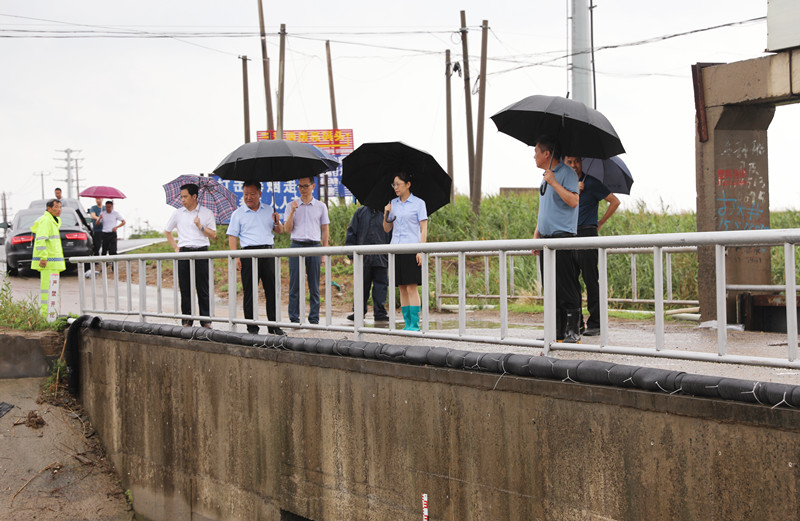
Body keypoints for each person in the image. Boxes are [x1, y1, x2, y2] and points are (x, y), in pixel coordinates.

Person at [564, 156, 621, 337]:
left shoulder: (591, 182)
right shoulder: (565, 185)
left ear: (582, 163)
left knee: (590, 279)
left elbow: (615, 201)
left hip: (587, 232)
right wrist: (574, 191)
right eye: (569, 162)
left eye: (576, 161)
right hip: (569, 234)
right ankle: (577, 323)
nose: (573, 165)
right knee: (571, 281)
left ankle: (596, 323)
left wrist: (600, 222)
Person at [532, 136, 581, 343]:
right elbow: (546, 208)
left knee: (566, 285)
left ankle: (573, 330)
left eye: (536, 152)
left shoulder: (566, 173)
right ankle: (556, 330)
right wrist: (537, 231)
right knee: (550, 286)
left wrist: (554, 182)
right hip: (546, 239)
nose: (533, 156)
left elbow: (574, 200)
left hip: (562, 238)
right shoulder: (546, 176)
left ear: (547, 154)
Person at [227, 180, 286, 336]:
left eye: (252, 194)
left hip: (268, 253)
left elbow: (280, 231)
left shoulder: (269, 210)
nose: (249, 197)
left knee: (272, 290)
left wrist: (277, 222)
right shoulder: (238, 214)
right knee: (249, 291)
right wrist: (236, 257)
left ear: (260, 194)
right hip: (248, 254)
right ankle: (252, 327)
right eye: (246, 194)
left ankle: (274, 326)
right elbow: (232, 236)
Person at [165, 183, 217, 328]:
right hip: (184, 251)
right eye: (181, 197)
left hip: (201, 251)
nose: (182, 199)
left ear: (194, 196)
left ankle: (206, 320)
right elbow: (167, 231)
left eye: (185, 196)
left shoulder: (206, 213)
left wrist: (200, 226)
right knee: (185, 287)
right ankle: (187, 320)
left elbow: (213, 235)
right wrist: (176, 247)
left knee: (203, 287)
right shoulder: (177, 213)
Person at [383, 171, 427, 331]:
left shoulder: (419, 203)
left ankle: (414, 324)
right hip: (396, 248)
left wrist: (420, 250)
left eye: (398, 184)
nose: (395, 187)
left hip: (412, 248)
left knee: (411, 287)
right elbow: (387, 228)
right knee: (401, 287)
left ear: (408, 184)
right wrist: (386, 213)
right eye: (393, 184)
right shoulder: (392, 204)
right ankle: (407, 323)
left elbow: (423, 228)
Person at [283, 176, 329, 325]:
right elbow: (286, 229)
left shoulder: (321, 206)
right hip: (296, 245)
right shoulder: (291, 205)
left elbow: (325, 229)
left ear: (313, 186)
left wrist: (324, 252)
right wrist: (292, 212)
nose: (302, 189)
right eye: (300, 186)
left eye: (305, 186)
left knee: (314, 284)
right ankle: (294, 317)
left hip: (314, 246)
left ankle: (314, 318)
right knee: (294, 283)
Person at [345, 205, 391, 322]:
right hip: (363, 257)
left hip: (382, 257)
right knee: (361, 285)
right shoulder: (360, 212)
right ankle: (358, 311)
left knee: (381, 287)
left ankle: (380, 312)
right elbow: (351, 233)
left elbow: (391, 233)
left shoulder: (386, 212)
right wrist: (351, 255)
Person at [31, 199, 66, 318]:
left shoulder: (53, 221)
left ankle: (51, 314)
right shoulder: (46, 221)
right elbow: (41, 240)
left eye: (60, 207)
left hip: (53, 263)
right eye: (56, 207)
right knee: (47, 289)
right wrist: (43, 257)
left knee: (52, 290)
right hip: (48, 263)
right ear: (49, 208)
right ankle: (46, 315)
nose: (59, 210)